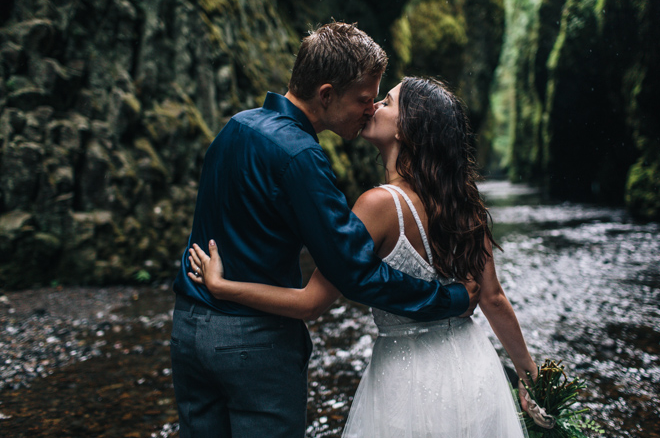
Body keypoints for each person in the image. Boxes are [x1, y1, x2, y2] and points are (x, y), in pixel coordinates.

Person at [170, 23, 479, 438]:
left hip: (189, 329)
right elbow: (357, 272)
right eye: (364, 100)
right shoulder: (300, 157)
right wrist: (449, 298)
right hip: (252, 343)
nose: (370, 110)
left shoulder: (235, 128)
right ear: (327, 94)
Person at [189, 77, 539, 437]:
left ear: (407, 128)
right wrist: (529, 374)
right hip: (474, 367)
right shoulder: (465, 206)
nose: (372, 107)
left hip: (407, 378)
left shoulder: (377, 206)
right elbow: (493, 299)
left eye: (386, 102)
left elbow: (310, 302)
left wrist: (224, 287)